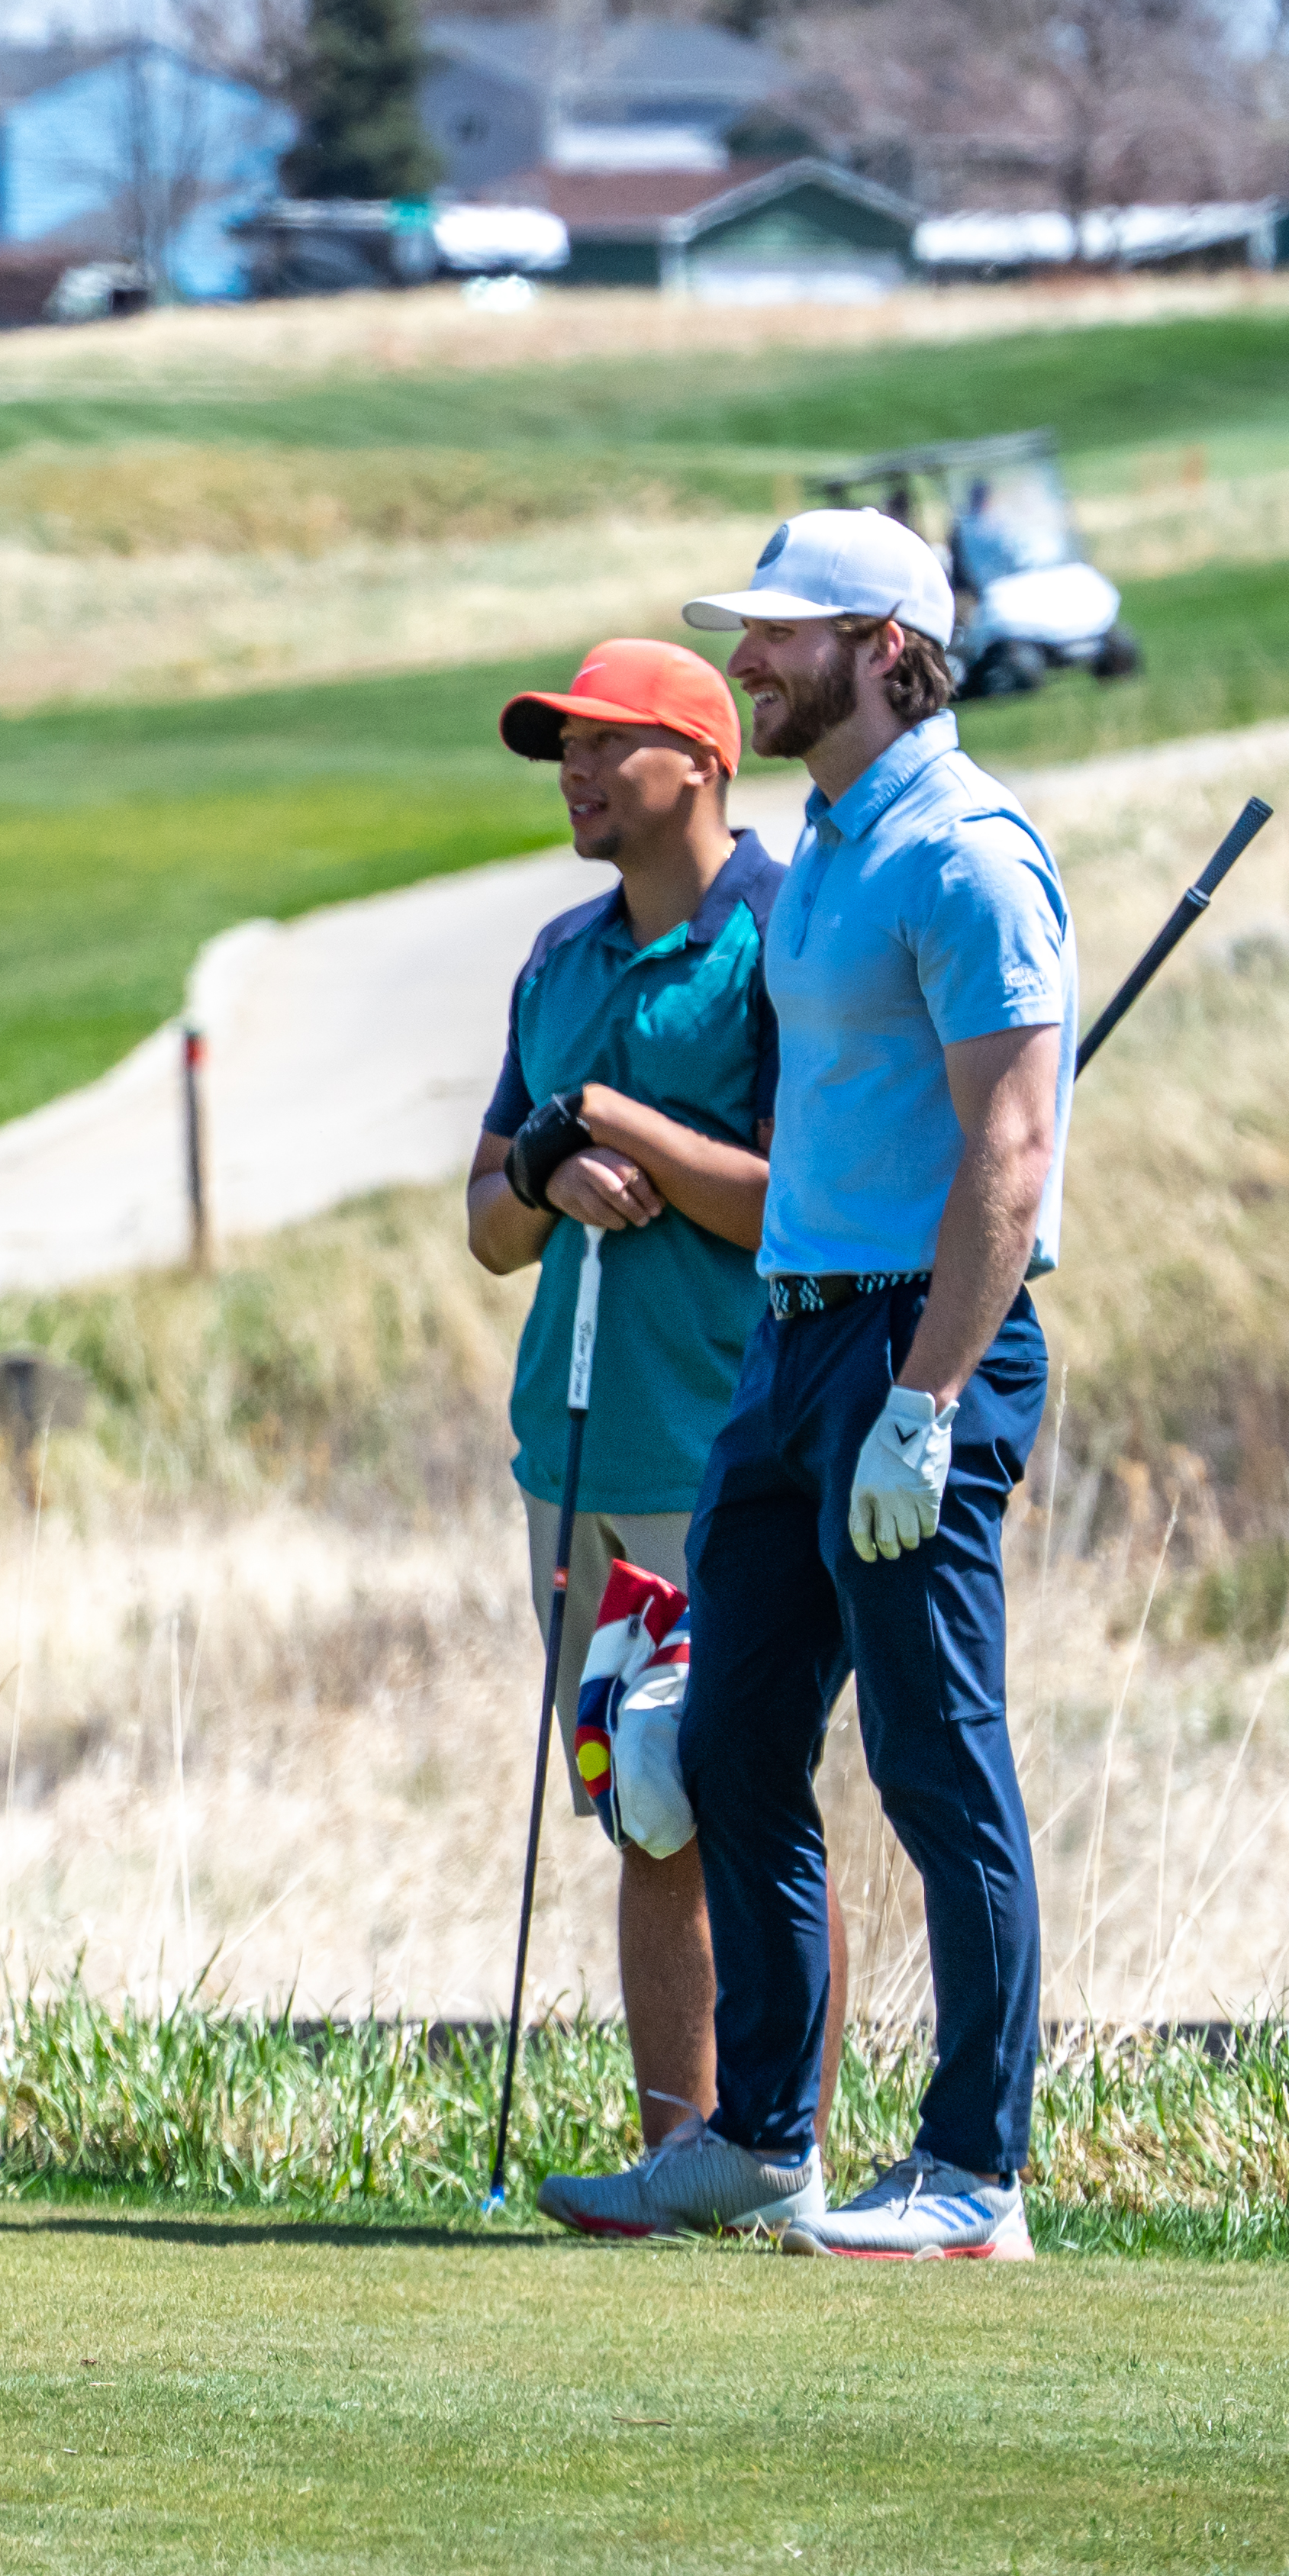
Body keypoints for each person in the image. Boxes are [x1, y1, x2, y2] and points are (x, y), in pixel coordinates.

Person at [536, 510, 1073, 2262]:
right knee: (732, 1739)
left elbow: (1010, 1146)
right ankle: (764, 2138)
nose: (753, 658)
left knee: (936, 1754)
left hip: (921, 1343)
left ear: (887, 646)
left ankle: (975, 2171)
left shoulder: (970, 853)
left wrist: (926, 1400)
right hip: (789, 1344)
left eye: (785, 633)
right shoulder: (836, 844)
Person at [462, 639, 794, 2158]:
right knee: (634, 1795)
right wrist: (545, 1162)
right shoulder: (557, 957)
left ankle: (773, 2144)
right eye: (565, 750)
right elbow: (488, 1222)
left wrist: (615, 1119)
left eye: (608, 745)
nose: (577, 774)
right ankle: (681, 2153)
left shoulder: (780, 939)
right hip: (572, 1444)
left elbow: (795, 1198)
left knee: (742, 1798)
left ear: (704, 762)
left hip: (726, 1437)